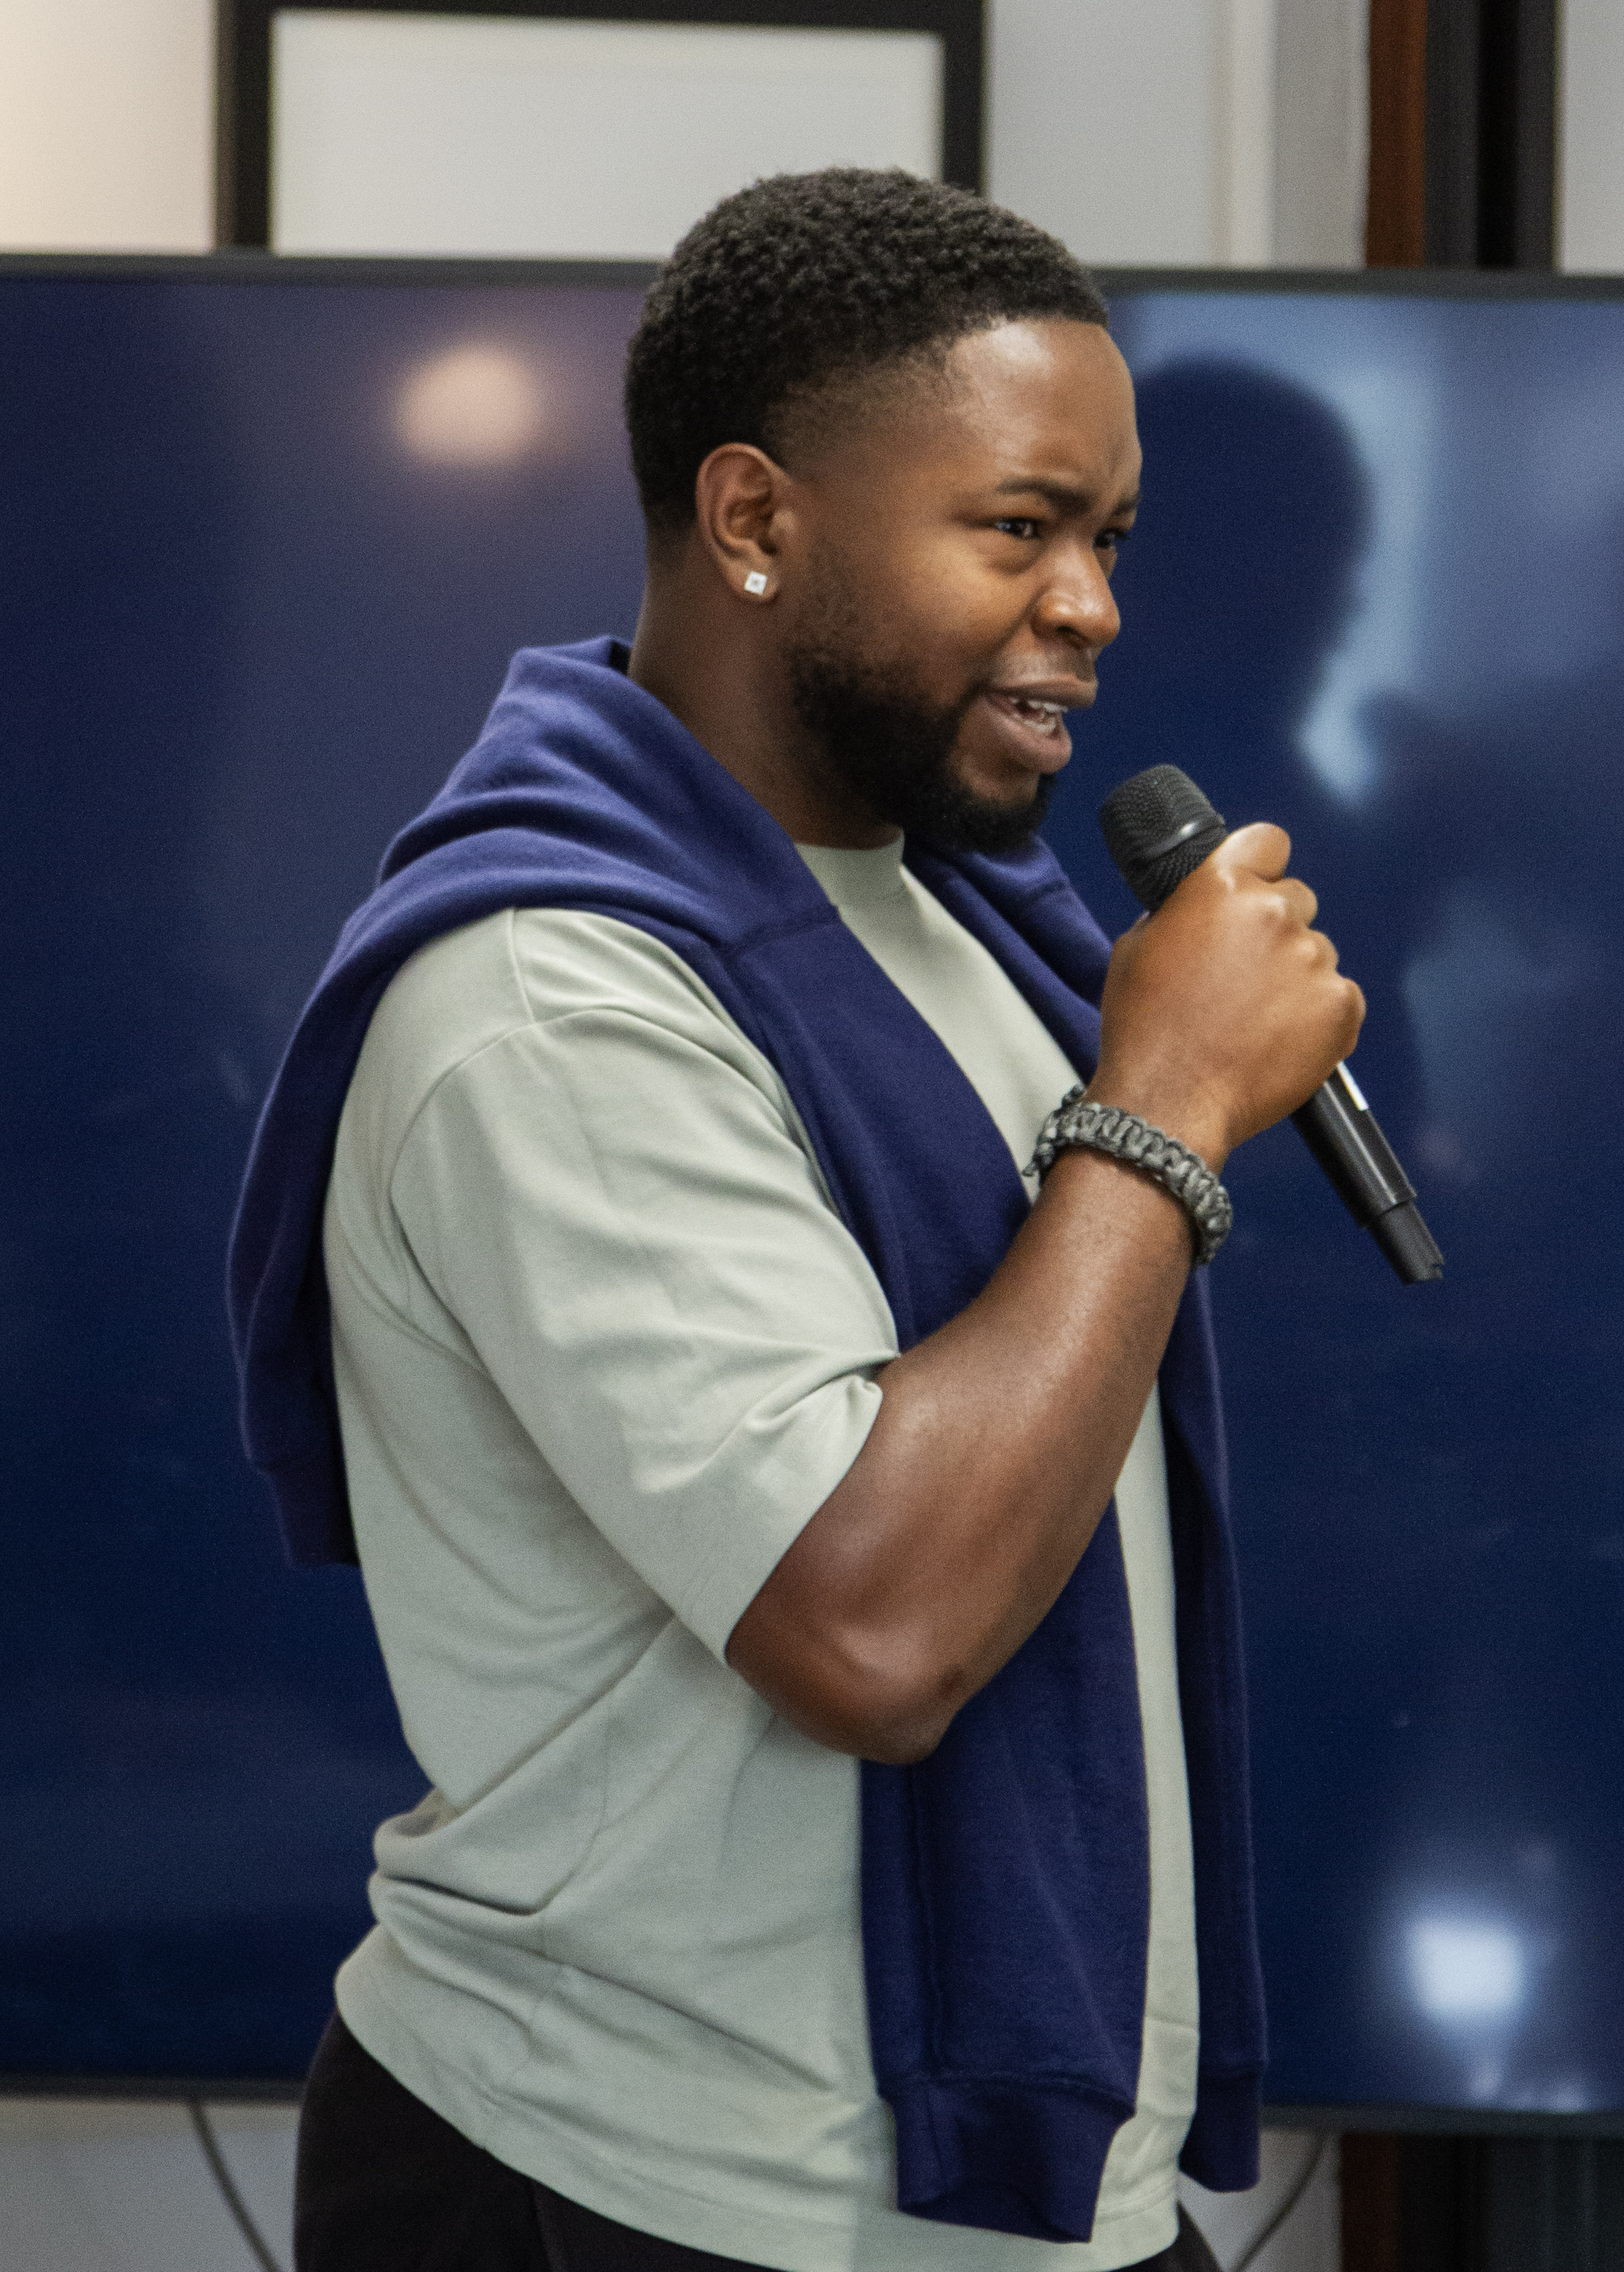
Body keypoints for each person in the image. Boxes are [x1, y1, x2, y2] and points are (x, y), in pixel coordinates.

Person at [227, 169, 1362, 2272]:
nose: (1091, 604)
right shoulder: (554, 995)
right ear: (754, 522)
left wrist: (1137, 1107)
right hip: (652, 2189)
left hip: (1005, 2187)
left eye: (1105, 541)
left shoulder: (956, 916)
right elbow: (875, 1629)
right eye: (1017, 528)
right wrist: (1170, 1102)